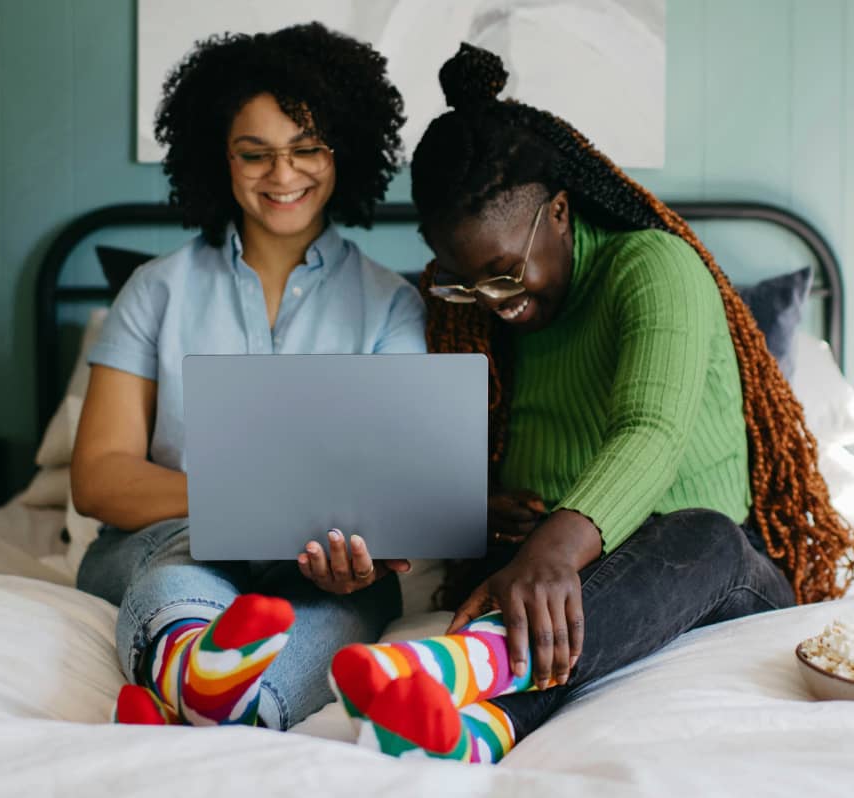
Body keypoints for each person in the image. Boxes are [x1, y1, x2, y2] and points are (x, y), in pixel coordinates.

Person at [328, 42, 854, 763]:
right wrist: (482, 508)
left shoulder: (653, 267)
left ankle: (462, 667)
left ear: (561, 212)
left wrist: (552, 549)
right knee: (521, 577)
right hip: (569, 572)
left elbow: (649, 432)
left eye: (504, 275)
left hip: (711, 572)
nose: (494, 305)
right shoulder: (481, 313)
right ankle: (479, 732)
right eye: (463, 282)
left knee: (699, 532)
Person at [72, 22, 425, 731]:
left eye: (306, 149)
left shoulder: (390, 303)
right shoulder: (155, 290)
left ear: (342, 152)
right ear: (219, 159)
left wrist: (356, 551)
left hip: (320, 561)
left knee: (350, 603)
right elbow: (98, 479)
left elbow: (397, 487)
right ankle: (203, 678)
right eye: (254, 154)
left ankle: (214, 701)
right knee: (181, 557)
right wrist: (241, 508)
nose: (283, 175)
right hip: (172, 535)